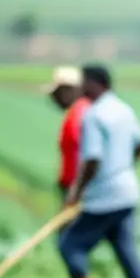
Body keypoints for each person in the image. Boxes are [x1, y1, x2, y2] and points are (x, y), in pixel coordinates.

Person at [59, 64, 140, 278]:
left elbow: (92, 159)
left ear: (95, 84)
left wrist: (76, 192)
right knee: (125, 247)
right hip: (128, 192)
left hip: (103, 197)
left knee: (69, 245)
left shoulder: (94, 115)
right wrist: (123, 166)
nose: (80, 87)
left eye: (83, 82)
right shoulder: (124, 109)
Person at [42, 65, 91, 222]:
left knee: (69, 242)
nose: (54, 99)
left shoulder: (79, 112)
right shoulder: (78, 111)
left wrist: (77, 192)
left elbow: (87, 152)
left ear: (70, 90)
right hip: (74, 186)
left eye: (57, 94)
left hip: (76, 187)